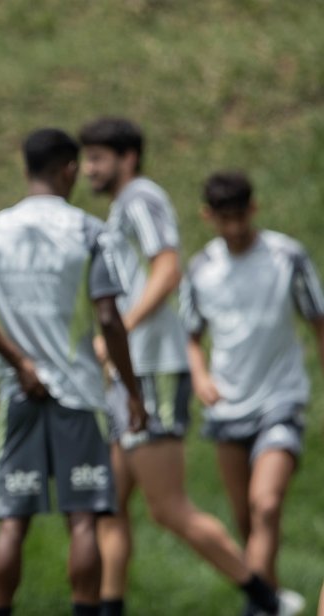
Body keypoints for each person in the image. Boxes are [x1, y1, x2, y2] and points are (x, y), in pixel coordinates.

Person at [78, 118, 294, 616]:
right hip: (128, 372)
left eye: (98, 157)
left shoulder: (141, 198)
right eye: (86, 157)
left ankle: (267, 599)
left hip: (150, 369)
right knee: (105, 506)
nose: (88, 167)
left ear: (127, 158)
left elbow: (168, 267)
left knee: (167, 508)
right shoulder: (122, 208)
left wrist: (120, 333)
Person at [0, 127, 146, 616]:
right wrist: (132, 389)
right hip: (79, 395)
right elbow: (108, 317)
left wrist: (19, 361)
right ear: (69, 170)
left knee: (12, 523)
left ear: (26, 170)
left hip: (20, 393)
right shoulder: (87, 231)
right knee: (83, 520)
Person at [182, 170, 321, 616]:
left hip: (280, 399)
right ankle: (271, 598)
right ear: (209, 217)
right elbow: (190, 336)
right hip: (227, 407)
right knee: (246, 519)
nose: (235, 228)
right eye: (225, 219)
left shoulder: (287, 256)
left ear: (254, 209)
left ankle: (256, 611)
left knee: (266, 505)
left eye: (241, 216)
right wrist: (200, 376)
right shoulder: (202, 269)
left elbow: (318, 320)